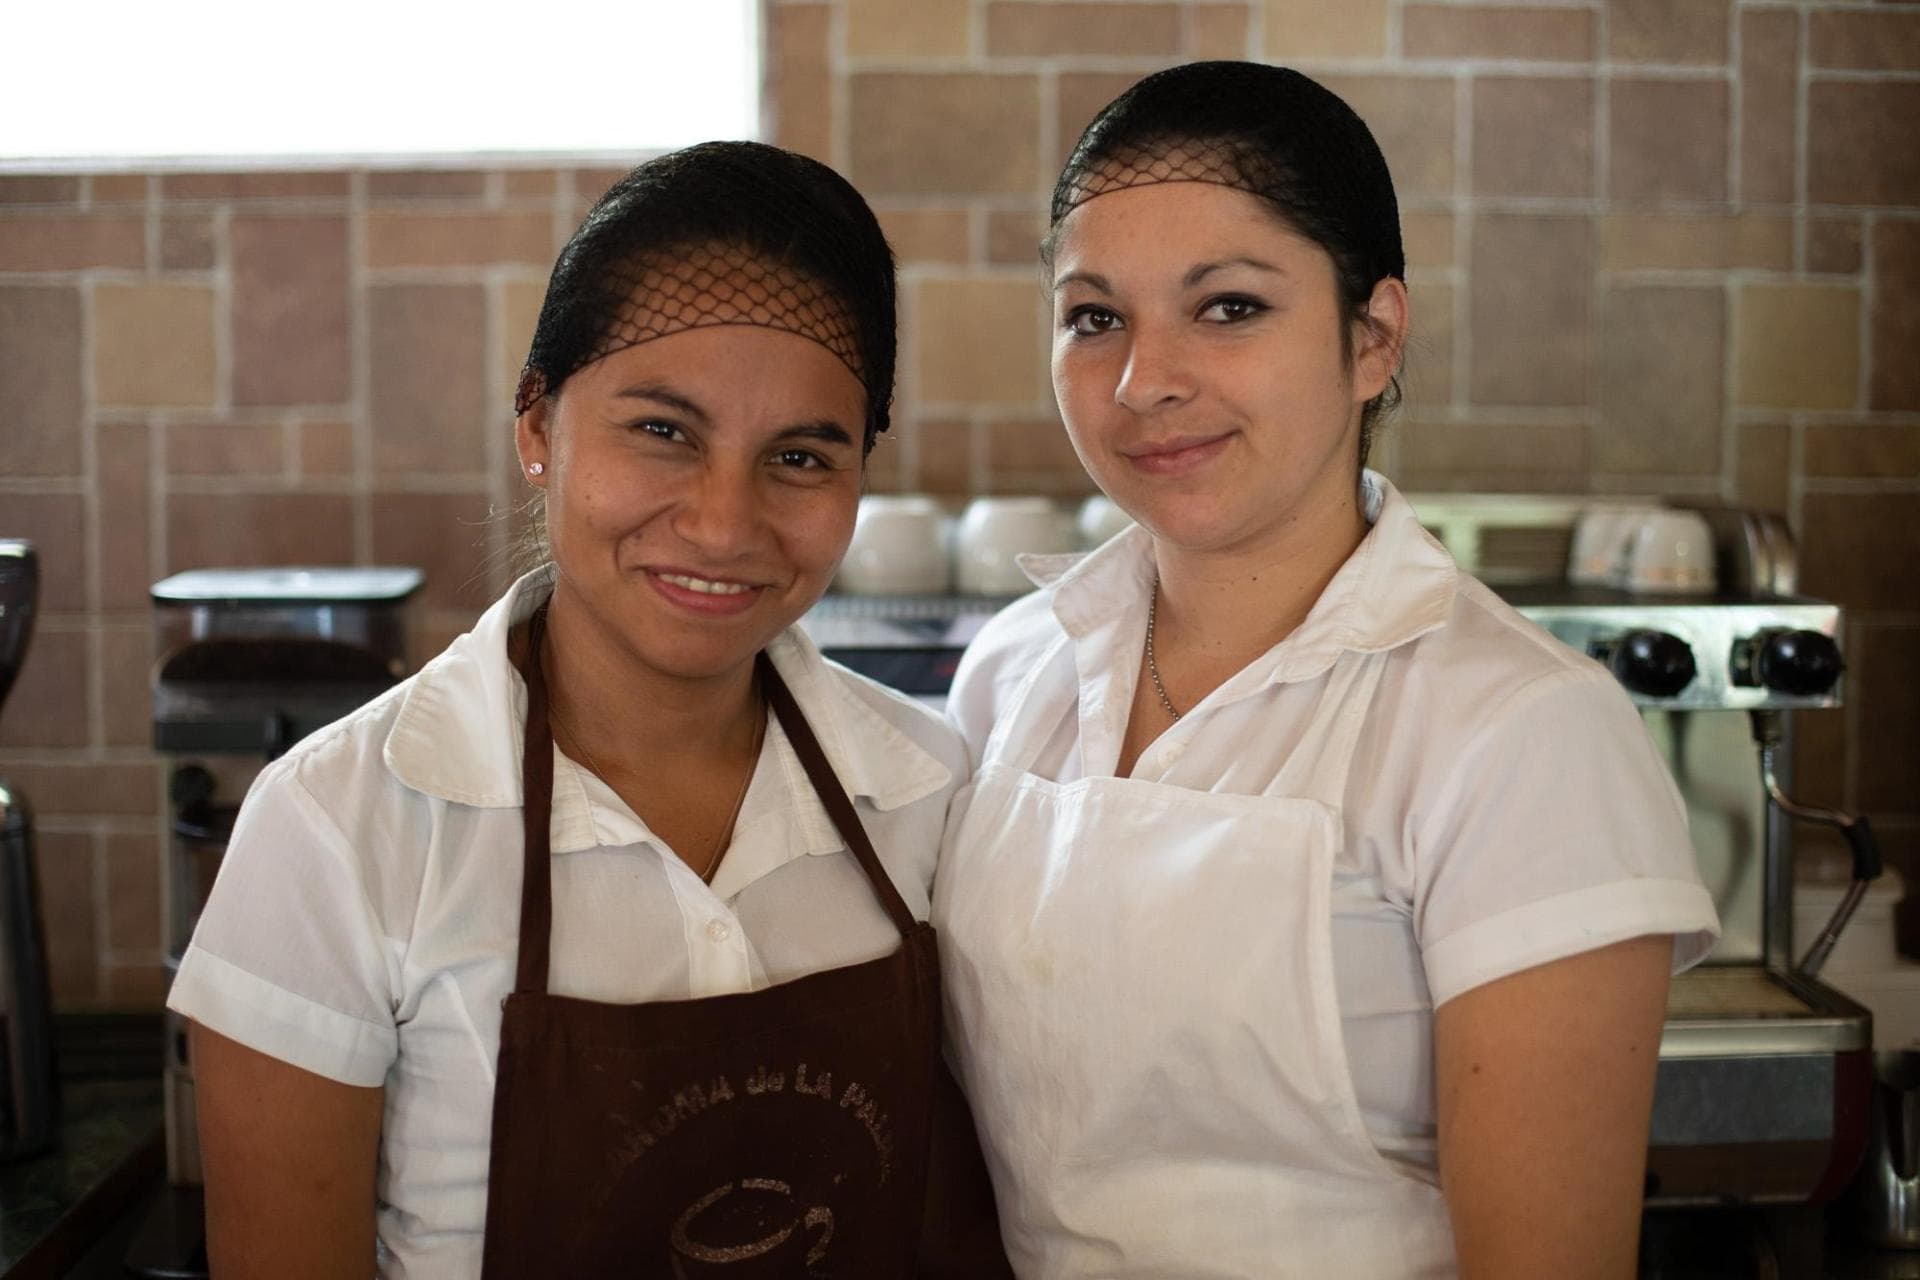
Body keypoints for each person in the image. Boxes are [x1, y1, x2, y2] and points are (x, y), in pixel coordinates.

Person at [934, 62, 1721, 1279]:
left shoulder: (1523, 734)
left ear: (1374, 336)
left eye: (1230, 306)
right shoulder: (1011, 671)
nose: (1146, 381)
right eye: (1096, 316)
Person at [169, 141, 1003, 1278]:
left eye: (801, 454)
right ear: (535, 426)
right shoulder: (341, 824)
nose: (723, 522)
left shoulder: (931, 788)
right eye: (662, 429)